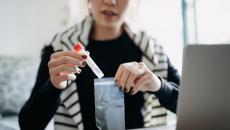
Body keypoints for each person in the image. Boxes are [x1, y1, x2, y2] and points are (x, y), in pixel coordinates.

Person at [19, 0, 180, 130]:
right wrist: (54, 86)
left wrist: (159, 85)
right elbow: (28, 125)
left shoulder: (152, 51)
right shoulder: (60, 47)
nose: (110, 1)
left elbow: (194, 108)